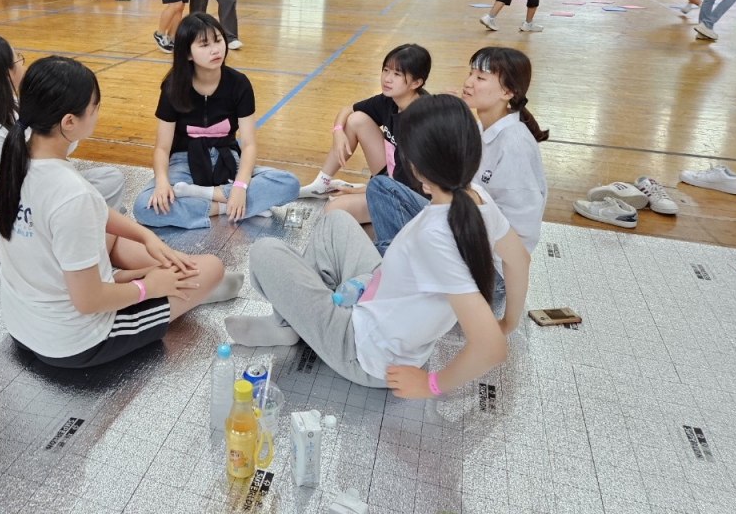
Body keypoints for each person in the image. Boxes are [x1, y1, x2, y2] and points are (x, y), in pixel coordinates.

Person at [223, 95, 532, 398]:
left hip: (363, 351)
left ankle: (290, 324)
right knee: (336, 222)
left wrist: (430, 384)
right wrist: (509, 321)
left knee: (265, 252)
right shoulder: (476, 198)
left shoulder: (437, 237)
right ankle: (293, 323)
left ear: (416, 167)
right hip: (380, 298)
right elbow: (519, 260)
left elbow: (491, 348)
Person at [0, 54, 241, 369]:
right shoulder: (72, 194)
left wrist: (146, 236)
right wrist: (147, 288)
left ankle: (165, 281)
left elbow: (93, 213)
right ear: (69, 121)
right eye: (94, 108)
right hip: (76, 341)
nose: (97, 113)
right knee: (212, 268)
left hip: (24, 324)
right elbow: (88, 302)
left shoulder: (16, 158)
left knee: (118, 239)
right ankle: (184, 289)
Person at [0, 34, 126, 262]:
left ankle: (89, 245)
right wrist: (62, 199)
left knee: (109, 180)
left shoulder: (9, 106)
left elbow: (48, 156)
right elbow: (12, 198)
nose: (22, 64)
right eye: (18, 59)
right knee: (87, 204)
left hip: (32, 197)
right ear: (8, 73)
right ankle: (87, 258)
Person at [365, 47, 548, 263]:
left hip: (483, 258)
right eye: (471, 73)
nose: (468, 82)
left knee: (369, 239)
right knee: (380, 187)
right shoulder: (481, 127)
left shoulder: (515, 145)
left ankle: (392, 259)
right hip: (457, 221)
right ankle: (394, 257)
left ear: (508, 93)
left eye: (480, 78)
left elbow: (521, 232)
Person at [133, 13, 300, 230]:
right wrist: (162, 182)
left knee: (289, 184)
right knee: (143, 207)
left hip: (227, 160)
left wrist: (240, 185)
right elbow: (162, 148)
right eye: (204, 45)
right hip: (184, 162)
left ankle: (204, 195)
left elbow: (249, 144)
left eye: (218, 40)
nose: (215, 50)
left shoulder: (239, 84)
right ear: (188, 53)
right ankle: (225, 206)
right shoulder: (173, 87)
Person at [298, 44, 431, 226]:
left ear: (416, 83)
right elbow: (348, 110)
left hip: (408, 197)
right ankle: (322, 182)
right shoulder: (389, 100)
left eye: (397, 74)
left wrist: (361, 190)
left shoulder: (421, 119)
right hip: (391, 176)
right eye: (386, 70)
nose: (387, 78)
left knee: (334, 211)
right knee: (356, 119)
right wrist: (338, 132)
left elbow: (405, 183)